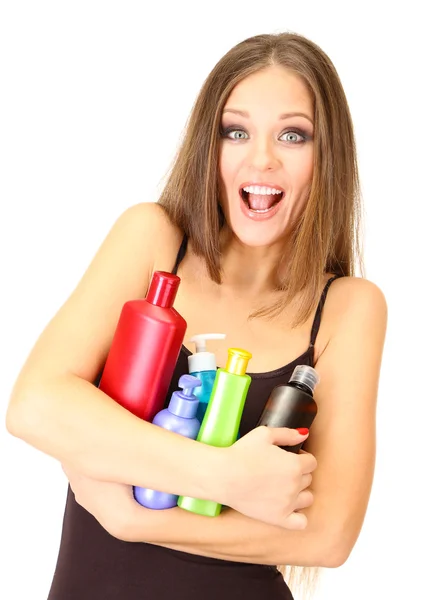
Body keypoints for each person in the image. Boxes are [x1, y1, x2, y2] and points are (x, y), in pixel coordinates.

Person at [5, 31, 387, 600]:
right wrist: (226, 478)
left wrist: (137, 520)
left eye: (293, 134)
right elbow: (35, 405)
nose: (262, 158)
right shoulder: (153, 239)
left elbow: (329, 536)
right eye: (236, 131)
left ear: (326, 156)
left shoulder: (348, 308)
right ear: (209, 147)